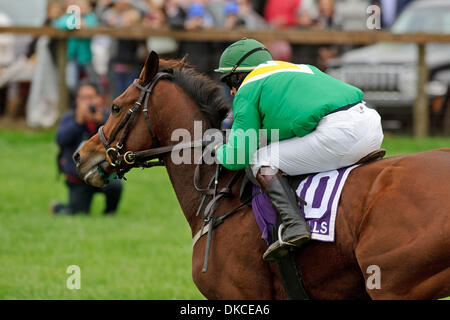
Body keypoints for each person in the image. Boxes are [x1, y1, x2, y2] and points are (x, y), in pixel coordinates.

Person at [214, 38, 384, 261]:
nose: (233, 91)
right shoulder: (301, 69)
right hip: (371, 125)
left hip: (341, 133)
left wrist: (218, 150)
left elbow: (239, 157)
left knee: (261, 159)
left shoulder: (249, 87)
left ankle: (294, 225)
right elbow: (294, 124)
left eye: (229, 82)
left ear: (239, 75)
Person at [51, 81, 123, 215]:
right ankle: (56, 207)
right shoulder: (70, 118)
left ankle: (110, 214)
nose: (87, 102)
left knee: (115, 186)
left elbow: (118, 141)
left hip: (103, 173)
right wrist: (78, 122)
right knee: (78, 213)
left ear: (99, 98)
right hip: (78, 178)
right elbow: (61, 140)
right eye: (82, 98)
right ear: (77, 100)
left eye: (90, 97)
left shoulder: (108, 118)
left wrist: (101, 123)